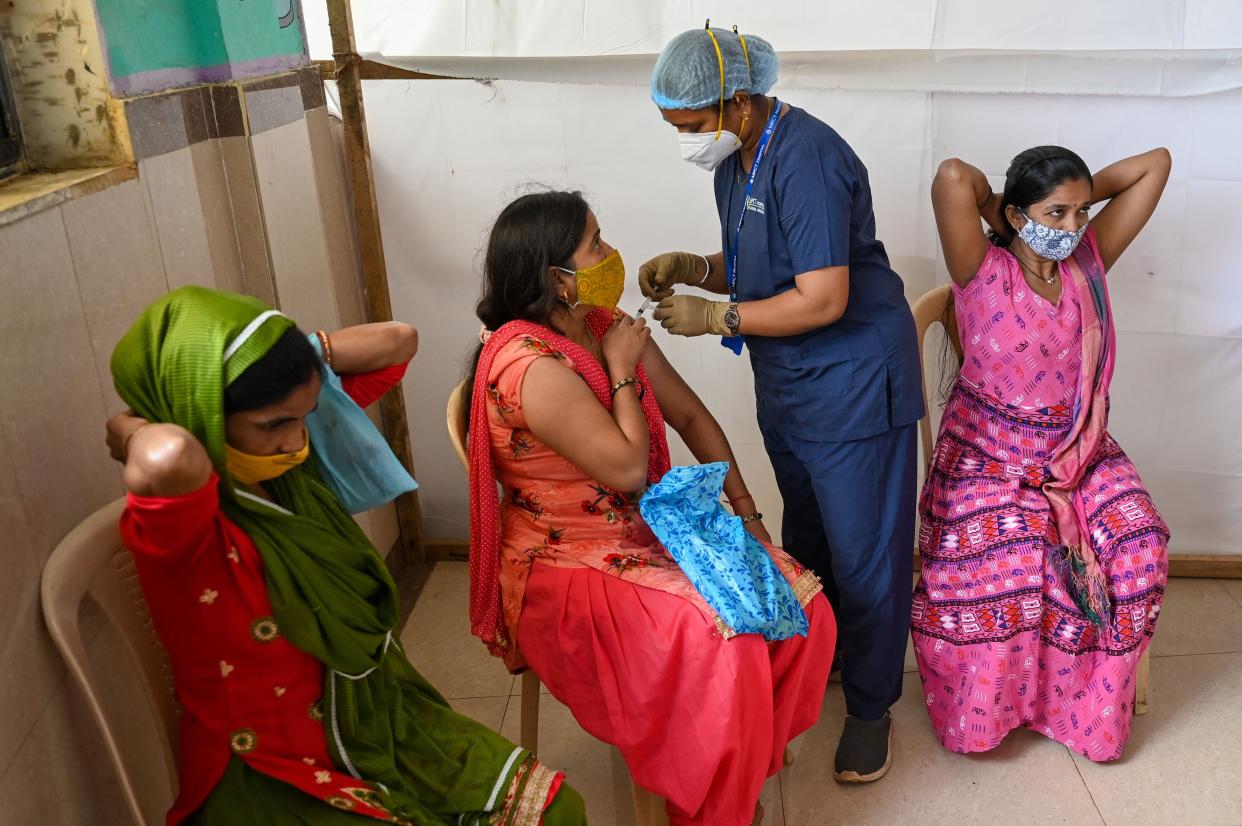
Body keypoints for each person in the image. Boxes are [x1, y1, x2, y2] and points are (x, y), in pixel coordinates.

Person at [107, 286, 586, 825]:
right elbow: (165, 456)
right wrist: (132, 427)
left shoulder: (289, 476)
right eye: (273, 425)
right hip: (270, 772)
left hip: (373, 718)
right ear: (201, 413)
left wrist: (296, 354)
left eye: (304, 416)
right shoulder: (186, 532)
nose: (296, 443)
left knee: (559, 811)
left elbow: (397, 341)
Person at [465, 191, 836, 826]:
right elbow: (628, 467)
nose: (612, 255)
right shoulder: (527, 363)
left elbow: (690, 414)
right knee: (732, 638)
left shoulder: (600, 324)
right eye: (595, 246)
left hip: (649, 530)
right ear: (556, 277)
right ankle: (714, 802)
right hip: (565, 562)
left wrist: (747, 513)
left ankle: (731, 770)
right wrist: (621, 374)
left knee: (802, 604)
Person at [641, 26, 924, 782]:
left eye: (691, 127)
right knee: (811, 536)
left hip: (854, 382)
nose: (685, 142)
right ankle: (827, 657)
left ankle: (871, 709)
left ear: (737, 100)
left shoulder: (809, 157)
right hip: (794, 386)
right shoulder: (738, 159)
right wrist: (698, 268)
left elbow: (825, 296)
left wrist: (718, 318)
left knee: (866, 556)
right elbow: (759, 261)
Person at [916, 145, 1172, 760]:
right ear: (1016, 212)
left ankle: (1086, 710)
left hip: (1077, 450)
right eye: (1056, 214)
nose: (1071, 228)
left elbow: (1154, 164)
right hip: (987, 455)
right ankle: (992, 714)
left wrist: (1077, 195)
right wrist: (1005, 217)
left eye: (1082, 213)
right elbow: (953, 176)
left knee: (1140, 543)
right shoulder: (980, 266)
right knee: (1010, 563)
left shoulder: (1086, 262)